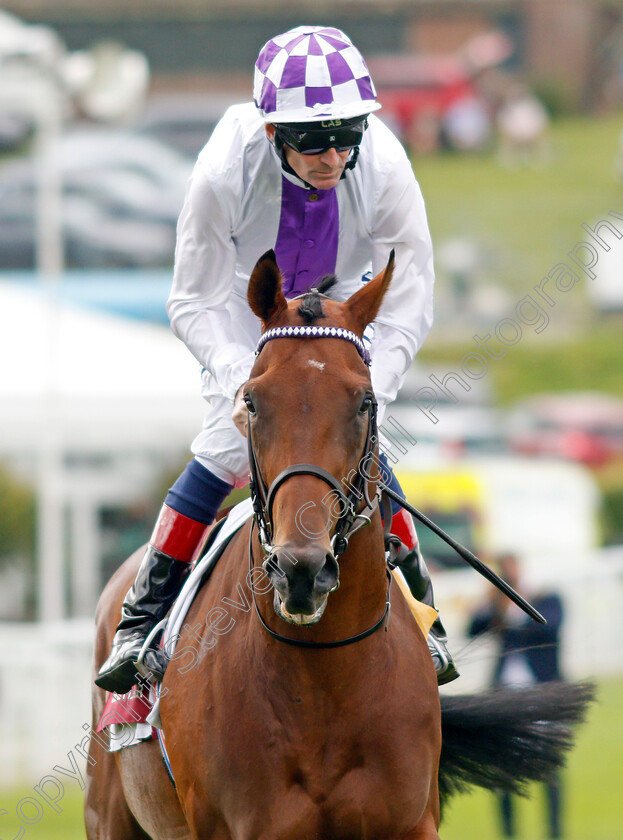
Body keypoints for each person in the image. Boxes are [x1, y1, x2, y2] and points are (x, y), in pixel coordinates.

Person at [96, 25, 458, 694]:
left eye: (345, 134)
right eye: (311, 141)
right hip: (247, 306)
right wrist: (242, 380)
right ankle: (139, 620)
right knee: (225, 447)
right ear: (270, 133)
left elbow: (409, 294)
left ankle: (420, 611)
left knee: (353, 441)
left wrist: (371, 387)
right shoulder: (219, 172)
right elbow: (192, 298)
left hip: (347, 306)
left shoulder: (383, 164)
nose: (330, 155)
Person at [468, 553, 565, 839]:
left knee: (549, 769)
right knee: (504, 772)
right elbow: (473, 628)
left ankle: (555, 832)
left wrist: (513, 610)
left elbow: (550, 627)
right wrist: (493, 603)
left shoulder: (546, 598)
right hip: (505, 696)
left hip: (541, 693)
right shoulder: (496, 604)